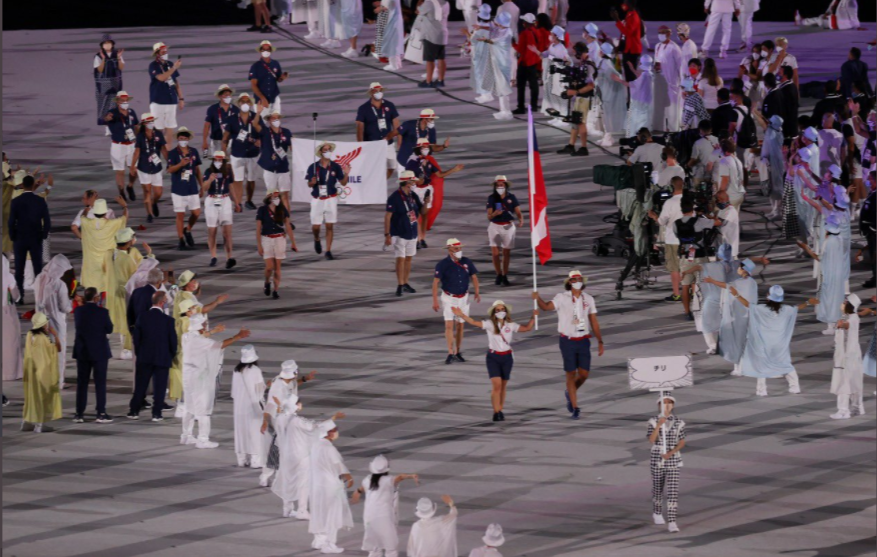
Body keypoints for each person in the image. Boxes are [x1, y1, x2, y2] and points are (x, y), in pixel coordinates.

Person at [532, 270, 604, 419]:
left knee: (584, 374)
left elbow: (594, 321)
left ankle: (569, 393)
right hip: (568, 341)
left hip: (583, 340)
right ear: (569, 282)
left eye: (579, 279)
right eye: (574, 279)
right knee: (570, 374)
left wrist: (600, 340)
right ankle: (575, 406)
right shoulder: (561, 298)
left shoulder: (588, 299)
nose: (577, 281)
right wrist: (537, 298)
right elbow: (546, 307)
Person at [453, 300, 536, 421]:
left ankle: (500, 409)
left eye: (502, 309)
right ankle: (496, 411)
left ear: (506, 311)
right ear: (494, 312)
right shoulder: (489, 324)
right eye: (498, 310)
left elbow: (527, 328)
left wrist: (533, 317)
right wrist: (462, 315)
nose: (500, 312)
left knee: (503, 386)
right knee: (496, 385)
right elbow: (474, 322)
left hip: (507, 358)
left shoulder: (510, 325)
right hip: (493, 357)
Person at [181, 313, 250, 447]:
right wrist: (238, 336)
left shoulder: (186, 337)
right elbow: (220, 345)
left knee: (189, 407)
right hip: (200, 378)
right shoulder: (201, 341)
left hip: (188, 376)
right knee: (204, 410)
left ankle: (186, 436)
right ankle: (203, 439)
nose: (206, 326)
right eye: (204, 325)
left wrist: (213, 331)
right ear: (200, 327)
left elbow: (202, 336)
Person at [729, 285, 810, 396]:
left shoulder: (761, 309)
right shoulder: (786, 309)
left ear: (768, 296)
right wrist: (808, 303)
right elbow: (797, 308)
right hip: (779, 344)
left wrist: (736, 294)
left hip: (764, 343)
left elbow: (747, 304)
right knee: (785, 364)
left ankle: (762, 390)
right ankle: (795, 387)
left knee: (762, 366)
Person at [349, 455, 420, 557]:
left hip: (370, 517)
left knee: (374, 548)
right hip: (385, 517)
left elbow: (362, 488)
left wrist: (358, 492)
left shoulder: (368, 480)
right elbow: (400, 477)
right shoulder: (389, 480)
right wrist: (411, 476)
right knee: (391, 548)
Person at [128, 290, 177, 421]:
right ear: (162, 303)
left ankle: (134, 411)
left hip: (145, 357)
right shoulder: (169, 321)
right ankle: (156, 413)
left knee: (140, 385)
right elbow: (173, 342)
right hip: (162, 358)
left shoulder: (142, 317)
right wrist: (169, 355)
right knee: (160, 387)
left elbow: (136, 339)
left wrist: (140, 353)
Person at [433, 238, 481, 365]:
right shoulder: (442, 264)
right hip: (449, 298)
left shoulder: (466, 262)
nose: (459, 251)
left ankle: (457, 352)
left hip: (463, 298)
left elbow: (474, 277)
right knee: (449, 325)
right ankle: (450, 352)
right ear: (449, 250)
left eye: (460, 248)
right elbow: (435, 282)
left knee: (460, 326)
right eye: (456, 249)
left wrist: (477, 291)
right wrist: (435, 301)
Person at [105, 228, 152, 360]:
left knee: (118, 319)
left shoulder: (108, 254)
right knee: (127, 319)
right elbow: (139, 275)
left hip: (111, 292)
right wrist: (150, 256)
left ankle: (122, 345)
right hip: (124, 293)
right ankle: (126, 349)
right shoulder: (126, 259)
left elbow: (104, 269)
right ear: (128, 242)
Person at [309, 421, 355, 554]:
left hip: (317, 485)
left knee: (319, 512)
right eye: (335, 430)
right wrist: (349, 478)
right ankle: (329, 544)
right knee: (333, 515)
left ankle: (318, 540)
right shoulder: (329, 448)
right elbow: (339, 465)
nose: (336, 432)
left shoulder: (316, 445)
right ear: (329, 432)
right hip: (330, 486)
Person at [799, 216, 850, 336]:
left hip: (829, 274)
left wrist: (806, 248)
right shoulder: (840, 239)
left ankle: (831, 326)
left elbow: (819, 258)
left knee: (829, 299)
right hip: (838, 274)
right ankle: (838, 322)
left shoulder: (828, 242)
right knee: (838, 298)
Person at [682, 244, 734, 354]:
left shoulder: (712, 266)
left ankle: (713, 346)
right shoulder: (736, 264)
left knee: (705, 324)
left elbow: (698, 267)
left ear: (718, 255)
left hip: (711, 300)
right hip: (730, 298)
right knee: (725, 323)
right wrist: (760, 259)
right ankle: (724, 344)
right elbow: (748, 263)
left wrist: (686, 272)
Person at [72, 287, 114, 423]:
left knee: (82, 383)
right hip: (99, 352)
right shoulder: (103, 312)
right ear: (96, 298)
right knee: (100, 383)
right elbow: (109, 328)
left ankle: (79, 414)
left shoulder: (78, 312)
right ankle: (101, 413)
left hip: (83, 351)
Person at [647, 395, 686, 533]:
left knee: (673, 491)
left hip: (673, 458)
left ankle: (672, 521)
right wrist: (659, 425)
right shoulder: (653, 421)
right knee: (658, 487)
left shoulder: (679, 422)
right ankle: (657, 512)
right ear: (659, 405)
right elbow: (651, 439)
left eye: (670, 403)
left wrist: (672, 451)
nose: (667, 405)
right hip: (657, 458)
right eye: (664, 403)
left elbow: (682, 441)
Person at [33, 254, 73, 388]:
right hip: (56, 323)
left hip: (40, 322)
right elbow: (64, 307)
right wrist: (72, 303)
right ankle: (58, 381)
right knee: (58, 352)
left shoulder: (39, 278)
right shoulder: (60, 284)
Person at [8, 174, 51, 300]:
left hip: (20, 239)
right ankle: (39, 296)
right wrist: (43, 235)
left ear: (22, 185)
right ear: (33, 185)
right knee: (38, 269)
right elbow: (47, 221)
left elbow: (11, 222)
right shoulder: (40, 200)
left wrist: (12, 236)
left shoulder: (15, 201)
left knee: (19, 270)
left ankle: (20, 297)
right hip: (36, 238)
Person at [674, 199, 718, 319]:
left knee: (685, 285)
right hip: (699, 256)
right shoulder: (699, 221)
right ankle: (701, 309)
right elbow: (717, 223)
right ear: (692, 210)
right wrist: (705, 215)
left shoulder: (676, 223)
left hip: (685, 256)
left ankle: (687, 312)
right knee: (702, 284)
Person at [306, 142, 351, 260]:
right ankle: (316, 239)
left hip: (331, 198)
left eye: (329, 149)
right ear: (320, 152)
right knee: (316, 227)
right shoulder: (313, 167)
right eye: (325, 150)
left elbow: (343, 182)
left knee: (329, 225)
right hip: (317, 199)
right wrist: (312, 182)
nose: (328, 152)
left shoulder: (335, 166)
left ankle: (328, 250)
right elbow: (309, 184)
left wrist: (346, 173)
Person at [385, 171, 427, 296]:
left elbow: (423, 212)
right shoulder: (394, 197)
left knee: (408, 259)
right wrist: (387, 234)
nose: (414, 183)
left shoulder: (412, 195)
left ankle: (406, 283)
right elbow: (387, 217)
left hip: (412, 232)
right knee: (400, 259)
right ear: (407, 182)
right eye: (412, 181)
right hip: (399, 233)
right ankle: (400, 284)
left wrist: (426, 202)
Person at [79, 197, 129, 297]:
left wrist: (86, 208)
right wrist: (124, 206)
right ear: (106, 213)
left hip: (92, 264)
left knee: (93, 286)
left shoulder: (86, 223)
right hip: (107, 263)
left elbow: (82, 217)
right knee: (106, 285)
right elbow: (125, 217)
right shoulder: (112, 224)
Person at [21, 312, 63, 433]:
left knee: (31, 397)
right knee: (42, 397)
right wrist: (56, 335)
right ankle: (40, 424)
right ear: (43, 324)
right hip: (42, 373)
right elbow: (57, 350)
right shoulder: (44, 339)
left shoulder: (29, 334)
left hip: (31, 372)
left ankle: (26, 422)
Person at [555, 43, 596, 155]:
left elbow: (591, 85)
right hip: (579, 97)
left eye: (575, 52)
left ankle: (584, 148)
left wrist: (575, 91)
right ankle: (571, 145)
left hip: (584, 98)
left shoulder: (589, 66)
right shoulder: (584, 63)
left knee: (581, 122)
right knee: (575, 121)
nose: (574, 54)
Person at [222, 93, 261, 211]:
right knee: (237, 180)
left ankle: (249, 200)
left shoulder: (255, 117)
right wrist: (223, 154)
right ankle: (238, 203)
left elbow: (262, 132)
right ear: (238, 103)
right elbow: (226, 137)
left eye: (247, 101)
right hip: (237, 153)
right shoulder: (232, 119)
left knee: (251, 179)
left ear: (250, 103)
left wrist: (259, 140)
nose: (245, 104)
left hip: (253, 153)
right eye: (242, 101)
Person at [257, 189, 297, 298]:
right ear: (269, 196)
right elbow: (258, 229)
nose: (276, 196)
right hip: (267, 239)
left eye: (277, 194)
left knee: (278, 267)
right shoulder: (262, 210)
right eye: (274, 194)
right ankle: (267, 282)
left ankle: (275, 290)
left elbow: (288, 226)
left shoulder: (282, 209)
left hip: (279, 239)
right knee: (269, 267)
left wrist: (293, 243)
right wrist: (259, 245)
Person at [167, 127, 203, 251]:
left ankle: (187, 230)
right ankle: (181, 239)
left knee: (196, 213)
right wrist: (180, 165)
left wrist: (202, 186)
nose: (183, 140)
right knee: (180, 215)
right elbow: (169, 170)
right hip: (178, 188)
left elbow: (197, 170)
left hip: (192, 187)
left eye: (185, 138)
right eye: (181, 138)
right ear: (178, 139)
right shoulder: (172, 153)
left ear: (188, 139)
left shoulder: (194, 152)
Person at [830, 294, 865, 419]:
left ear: (849, 305)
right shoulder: (851, 316)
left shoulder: (852, 319)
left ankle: (843, 411)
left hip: (848, 356)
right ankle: (857, 407)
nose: (842, 305)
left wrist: (840, 325)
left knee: (844, 383)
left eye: (844, 303)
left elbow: (847, 325)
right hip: (852, 354)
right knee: (854, 381)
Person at [357, 83, 400, 180]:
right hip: (372, 143)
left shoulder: (390, 105)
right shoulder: (363, 108)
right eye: (376, 91)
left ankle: (381, 182)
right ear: (371, 93)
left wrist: (399, 141)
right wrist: (360, 144)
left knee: (392, 166)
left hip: (388, 143)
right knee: (373, 166)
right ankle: (374, 183)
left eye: (380, 90)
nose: (378, 92)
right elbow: (360, 127)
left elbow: (396, 123)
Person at [485, 176, 523, 286]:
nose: (499, 187)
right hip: (495, 226)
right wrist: (494, 214)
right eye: (498, 185)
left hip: (508, 226)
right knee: (495, 253)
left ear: (505, 185)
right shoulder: (492, 198)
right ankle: (498, 274)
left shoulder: (512, 197)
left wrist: (521, 219)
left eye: (501, 185)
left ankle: (505, 275)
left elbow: (517, 211)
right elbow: (489, 216)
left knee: (506, 252)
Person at [130, 113, 168, 222]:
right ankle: (149, 214)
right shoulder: (140, 136)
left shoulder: (158, 134)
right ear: (144, 123)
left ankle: (154, 202)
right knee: (147, 191)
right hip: (144, 168)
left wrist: (169, 162)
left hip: (156, 167)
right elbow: (137, 152)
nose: (151, 123)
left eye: (152, 121)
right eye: (149, 122)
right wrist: (133, 166)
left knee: (158, 193)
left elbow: (163, 149)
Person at [103, 91, 139, 201]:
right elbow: (106, 119)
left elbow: (136, 126)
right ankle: (122, 192)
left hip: (131, 145)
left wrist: (139, 138)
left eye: (126, 100)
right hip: (118, 146)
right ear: (118, 102)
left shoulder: (131, 112)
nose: (125, 102)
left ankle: (130, 186)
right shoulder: (112, 113)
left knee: (134, 170)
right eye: (122, 101)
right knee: (120, 171)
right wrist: (107, 118)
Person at [202, 151, 236, 268]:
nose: (218, 162)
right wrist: (210, 180)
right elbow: (204, 188)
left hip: (225, 200)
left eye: (220, 160)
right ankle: (213, 256)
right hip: (212, 200)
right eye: (216, 160)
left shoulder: (227, 171)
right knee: (212, 231)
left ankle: (229, 257)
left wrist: (236, 202)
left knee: (227, 232)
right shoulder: (208, 171)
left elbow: (231, 186)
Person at [479, 12, 515, 119]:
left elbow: (495, 41)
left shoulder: (507, 32)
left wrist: (485, 40)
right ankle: (503, 110)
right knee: (500, 87)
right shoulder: (500, 29)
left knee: (503, 87)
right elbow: (492, 29)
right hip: (497, 62)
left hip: (503, 64)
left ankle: (506, 112)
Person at [147, 42, 184, 139]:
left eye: (166, 51)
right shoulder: (153, 65)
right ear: (157, 53)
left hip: (171, 101)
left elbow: (176, 82)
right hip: (158, 101)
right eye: (163, 52)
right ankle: (157, 151)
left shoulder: (170, 64)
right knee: (158, 130)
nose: (165, 53)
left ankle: (168, 153)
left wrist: (181, 98)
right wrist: (174, 67)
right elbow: (161, 78)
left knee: (170, 129)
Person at [596, 42, 627, 147]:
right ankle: (606, 136)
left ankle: (609, 138)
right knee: (605, 116)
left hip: (608, 94)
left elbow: (614, 76)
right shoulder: (604, 62)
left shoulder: (606, 63)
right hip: (604, 93)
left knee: (608, 117)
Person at [653, 25, 683, 132]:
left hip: (672, 84)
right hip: (660, 83)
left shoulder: (674, 48)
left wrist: (684, 84)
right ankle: (663, 129)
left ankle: (674, 131)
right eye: (659, 32)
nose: (660, 34)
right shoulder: (657, 46)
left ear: (669, 33)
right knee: (662, 108)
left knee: (672, 110)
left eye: (663, 32)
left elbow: (681, 67)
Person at [512, 13, 542, 115]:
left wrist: (513, 44)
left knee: (521, 86)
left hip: (524, 63)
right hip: (534, 62)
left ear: (525, 23)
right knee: (534, 85)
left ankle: (521, 107)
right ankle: (534, 105)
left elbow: (520, 49)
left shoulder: (524, 34)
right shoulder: (537, 32)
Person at [94, 34, 125, 129]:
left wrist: (119, 57)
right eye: (105, 43)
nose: (107, 45)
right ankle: (107, 127)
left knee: (114, 104)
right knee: (104, 105)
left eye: (109, 43)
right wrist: (103, 59)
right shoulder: (98, 56)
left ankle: (112, 126)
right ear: (102, 45)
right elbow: (99, 70)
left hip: (115, 83)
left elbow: (121, 67)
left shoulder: (117, 54)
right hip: (103, 84)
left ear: (112, 44)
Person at [201, 84, 239, 161]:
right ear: (220, 96)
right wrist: (204, 141)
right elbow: (206, 126)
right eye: (225, 95)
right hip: (216, 141)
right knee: (217, 164)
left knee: (230, 165)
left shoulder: (235, 110)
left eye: (229, 95)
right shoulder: (212, 109)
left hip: (231, 142)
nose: (228, 97)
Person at [250, 41, 288, 116]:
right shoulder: (255, 66)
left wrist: (282, 78)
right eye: (263, 50)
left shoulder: (275, 63)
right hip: (261, 100)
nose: (265, 51)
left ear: (271, 51)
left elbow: (278, 79)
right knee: (261, 124)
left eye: (267, 50)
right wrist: (263, 98)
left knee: (276, 121)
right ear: (260, 50)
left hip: (274, 97)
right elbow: (253, 85)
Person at [417, 0, 450, 88]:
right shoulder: (446, 3)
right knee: (441, 58)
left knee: (429, 60)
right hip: (442, 33)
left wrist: (420, 3)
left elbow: (418, 11)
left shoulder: (429, 3)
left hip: (431, 34)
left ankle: (428, 81)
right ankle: (440, 80)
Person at [622, 55, 655, 138]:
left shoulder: (644, 75)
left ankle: (635, 137)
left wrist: (618, 80)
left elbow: (631, 84)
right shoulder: (650, 74)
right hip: (646, 102)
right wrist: (632, 68)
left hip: (639, 102)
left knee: (637, 121)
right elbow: (639, 76)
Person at [610, 0, 642, 82]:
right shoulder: (629, 14)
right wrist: (620, 46)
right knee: (628, 76)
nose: (623, 4)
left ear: (630, 4)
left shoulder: (634, 16)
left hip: (632, 51)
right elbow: (624, 34)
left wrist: (617, 20)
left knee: (631, 77)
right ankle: (630, 93)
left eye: (625, 2)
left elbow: (627, 32)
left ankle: (633, 94)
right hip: (627, 50)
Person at [2, 256, 23, 381]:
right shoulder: (8, 277)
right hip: (6, 312)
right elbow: (16, 296)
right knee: (9, 343)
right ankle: (9, 373)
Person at [374, 0, 405, 71]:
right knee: (391, 42)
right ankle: (394, 63)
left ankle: (395, 64)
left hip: (392, 21)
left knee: (392, 43)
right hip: (389, 19)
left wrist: (381, 8)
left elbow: (391, 4)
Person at [717, 139, 745, 212]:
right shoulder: (738, 161)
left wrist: (719, 194)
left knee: (725, 221)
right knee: (735, 220)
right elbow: (741, 180)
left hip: (730, 197)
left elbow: (725, 179)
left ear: (725, 151)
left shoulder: (724, 161)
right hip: (739, 194)